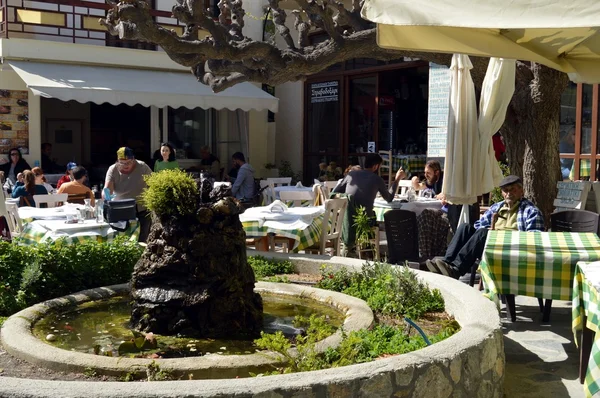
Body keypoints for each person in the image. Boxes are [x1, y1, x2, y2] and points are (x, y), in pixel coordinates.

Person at [426, 175, 544, 279]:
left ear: (521, 191)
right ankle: (447, 263)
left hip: (510, 248)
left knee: (483, 233)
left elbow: (534, 237)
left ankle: (456, 269)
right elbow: (478, 225)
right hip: (490, 245)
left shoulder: (530, 211)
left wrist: (501, 235)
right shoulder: (497, 207)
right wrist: (489, 231)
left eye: (512, 189)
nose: (508, 193)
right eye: (505, 190)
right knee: (465, 227)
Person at [104, 147, 152, 242]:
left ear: (133, 159)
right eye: (122, 163)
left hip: (141, 209)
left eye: (129, 162)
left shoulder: (142, 167)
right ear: (117, 161)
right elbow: (107, 189)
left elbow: (153, 184)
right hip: (121, 209)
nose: (126, 165)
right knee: (122, 239)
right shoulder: (113, 169)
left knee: (142, 239)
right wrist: (106, 196)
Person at [332, 153, 403, 217]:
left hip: (347, 217)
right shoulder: (377, 179)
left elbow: (334, 193)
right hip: (364, 220)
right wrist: (397, 179)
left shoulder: (351, 174)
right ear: (376, 166)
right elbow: (389, 198)